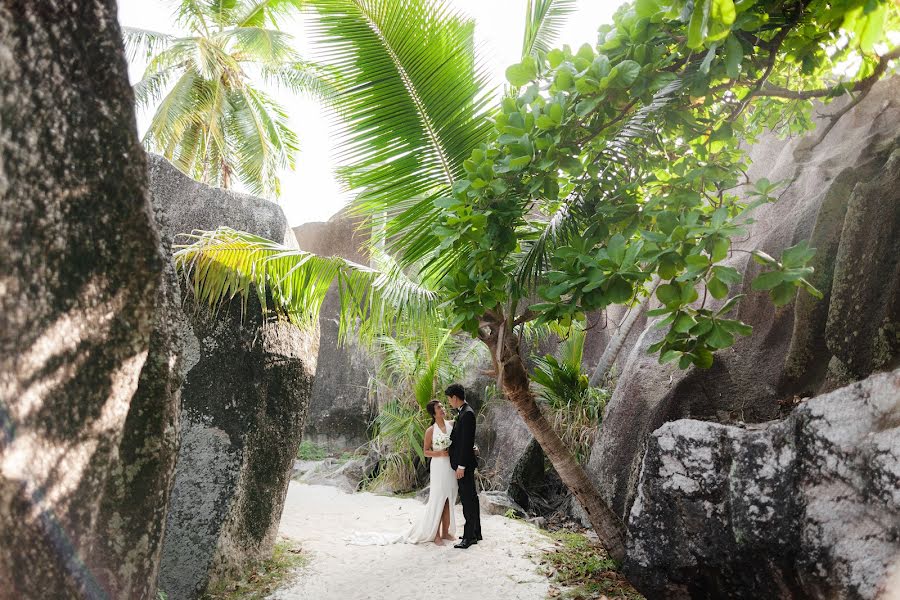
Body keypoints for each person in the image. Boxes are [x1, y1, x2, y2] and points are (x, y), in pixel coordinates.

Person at [347, 399, 457, 545]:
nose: (442, 408)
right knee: (437, 500)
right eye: (439, 407)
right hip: (438, 466)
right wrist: (440, 454)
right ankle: (435, 534)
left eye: (442, 406)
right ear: (433, 412)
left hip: (450, 466)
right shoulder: (431, 430)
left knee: (448, 499)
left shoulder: (451, 424)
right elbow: (425, 451)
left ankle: (445, 532)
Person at [446, 383, 482, 549]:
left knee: (468, 500)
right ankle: (475, 532)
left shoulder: (467, 414)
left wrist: (460, 466)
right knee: (471, 498)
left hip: (464, 465)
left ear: (455, 397)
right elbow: (464, 438)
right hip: (465, 462)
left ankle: (469, 538)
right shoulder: (464, 413)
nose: (449, 402)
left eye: (449, 399)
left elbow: (466, 442)